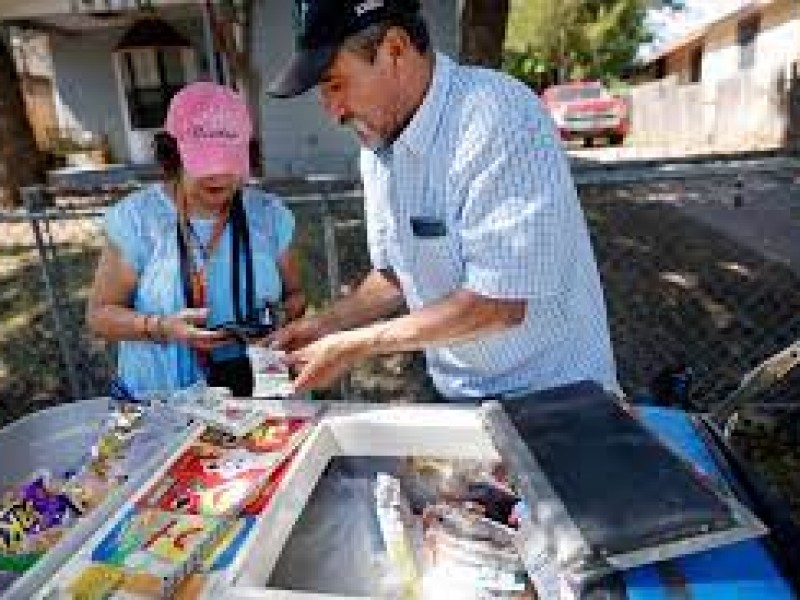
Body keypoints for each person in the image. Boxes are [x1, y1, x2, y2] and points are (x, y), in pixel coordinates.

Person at [267, 0, 618, 400]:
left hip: (556, 395)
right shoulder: (379, 144)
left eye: (335, 83)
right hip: (459, 394)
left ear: (395, 49)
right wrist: (327, 325)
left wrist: (354, 345)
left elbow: (497, 305)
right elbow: (397, 274)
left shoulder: (497, 115)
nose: (333, 112)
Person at [87, 82, 305, 397]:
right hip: (159, 403)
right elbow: (100, 315)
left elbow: (296, 294)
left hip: (255, 395)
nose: (218, 176)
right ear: (173, 155)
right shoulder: (137, 219)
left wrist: (277, 322)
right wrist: (160, 327)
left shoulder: (269, 216)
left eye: (228, 161)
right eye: (204, 162)